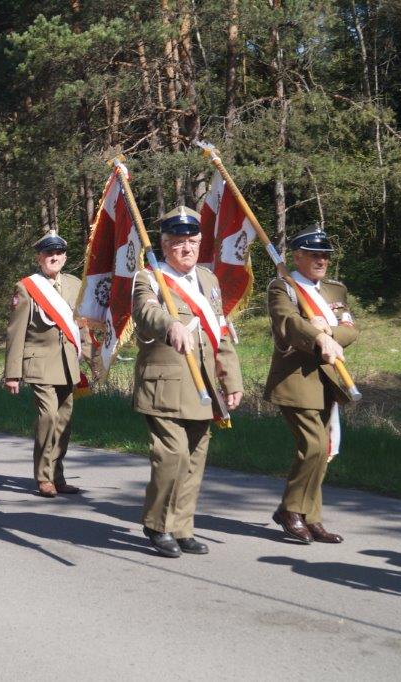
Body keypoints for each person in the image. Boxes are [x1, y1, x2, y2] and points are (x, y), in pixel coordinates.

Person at [131, 207, 244, 558]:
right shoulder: (149, 278)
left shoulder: (208, 281)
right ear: (164, 245)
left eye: (192, 241)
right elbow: (146, 313)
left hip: (204, 384)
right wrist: (171, 325)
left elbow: (220, 332)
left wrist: (231, 379)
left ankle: (182, 527)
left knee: (195, 457)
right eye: (178, 242)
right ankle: (157, 524)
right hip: (164, 383)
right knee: (173, 455)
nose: (187, 248)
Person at [267, 227, 359, 544]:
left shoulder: (335, 291)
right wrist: (316, 334)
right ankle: (290, 510)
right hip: (296, 380)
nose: (322, 260)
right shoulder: (283, 288)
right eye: (314, 254)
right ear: (298, 256)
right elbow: (289, 324)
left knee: (323, 451)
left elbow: (350, 330)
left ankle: (312, 516)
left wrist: (329, 333)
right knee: (314, 446)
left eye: (325, 255)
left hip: (329, 379)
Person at [3, 230, 89, 497]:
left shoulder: (76, 284)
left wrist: (87, 352)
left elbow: (83, 323)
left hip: (68, 364)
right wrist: (12, 374)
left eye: (59, 253)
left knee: (64, 420)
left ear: (64, 256)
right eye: (49, 253)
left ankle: (57, 475)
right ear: (40, 257)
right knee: (48, 416)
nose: (54, 257)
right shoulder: (27, 288)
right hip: (39, 363)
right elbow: (16, 332)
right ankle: (43, 477)